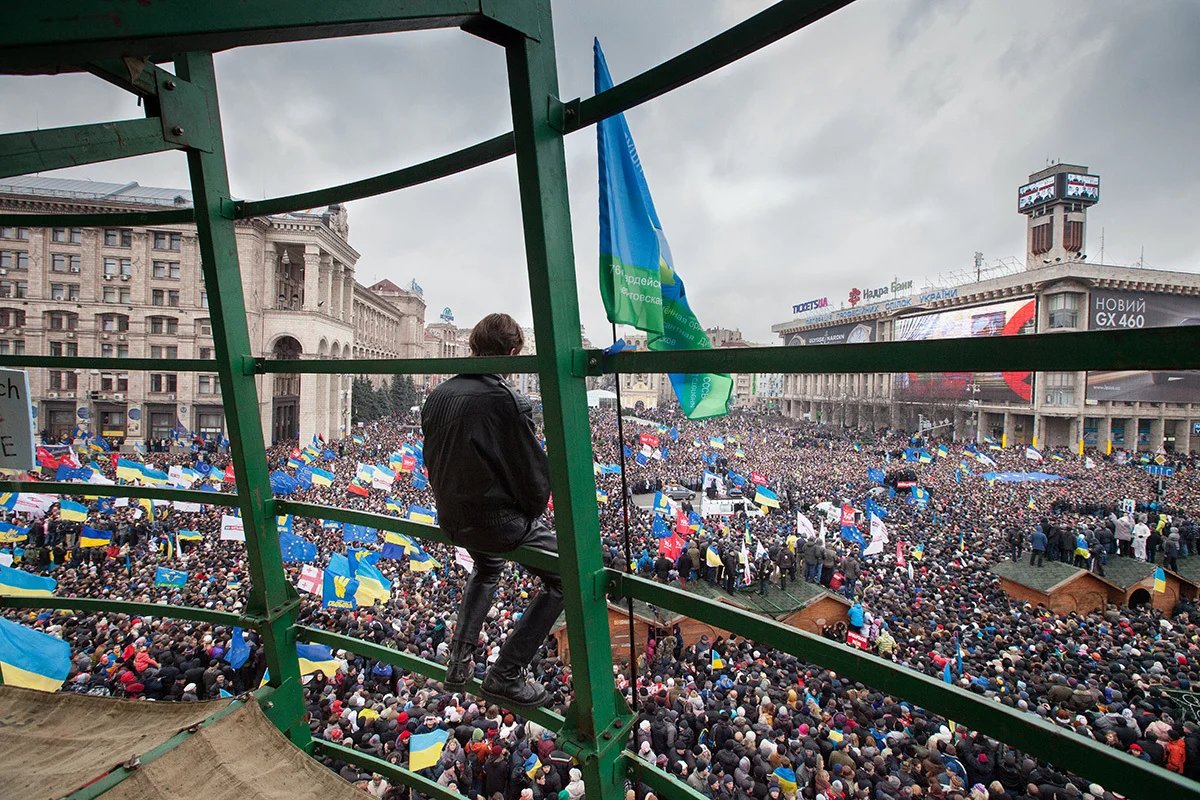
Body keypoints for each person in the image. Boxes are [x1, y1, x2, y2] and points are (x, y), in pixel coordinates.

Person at [422, 312, 562, 707]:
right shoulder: (506, 400)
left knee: (488, 566)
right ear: (514, 353)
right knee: (566, 575)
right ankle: (506, 673)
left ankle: (458, 662)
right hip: (497, 522)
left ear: (472, 347)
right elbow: (534, 481)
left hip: (452, 517)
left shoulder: (439, 394)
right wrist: (530, 511)